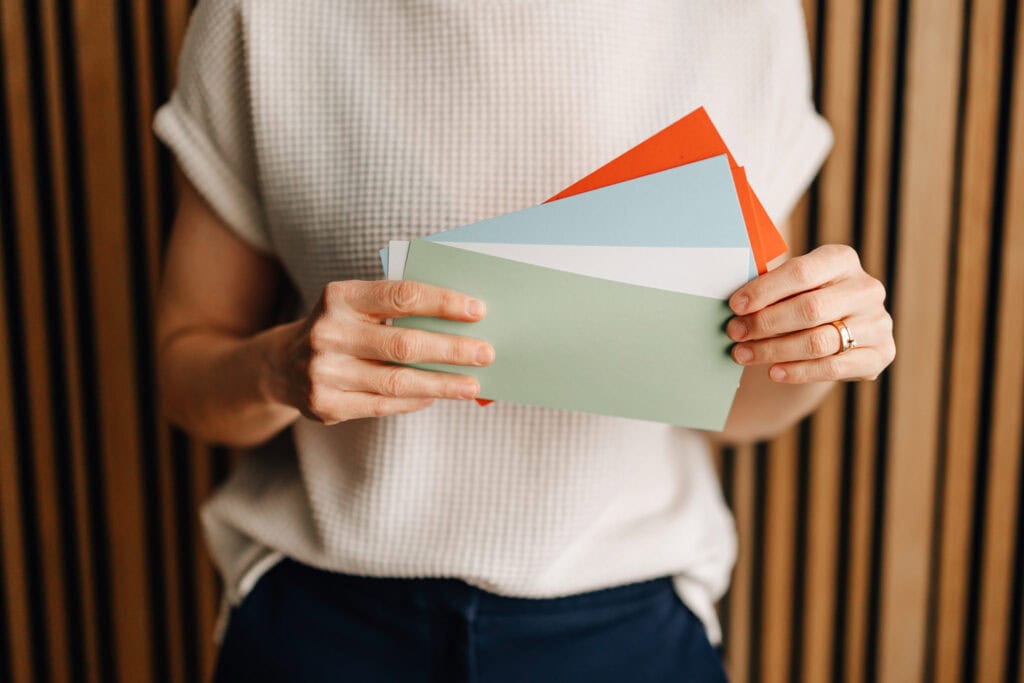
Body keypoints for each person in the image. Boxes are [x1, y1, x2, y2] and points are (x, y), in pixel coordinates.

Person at [153, 1, 895, 680]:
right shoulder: (263, 15)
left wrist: (815, 345)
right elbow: (186, 372)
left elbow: (741, 402)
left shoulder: (743, 17)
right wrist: (278, 369)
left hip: (624, 620)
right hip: (325, 619)